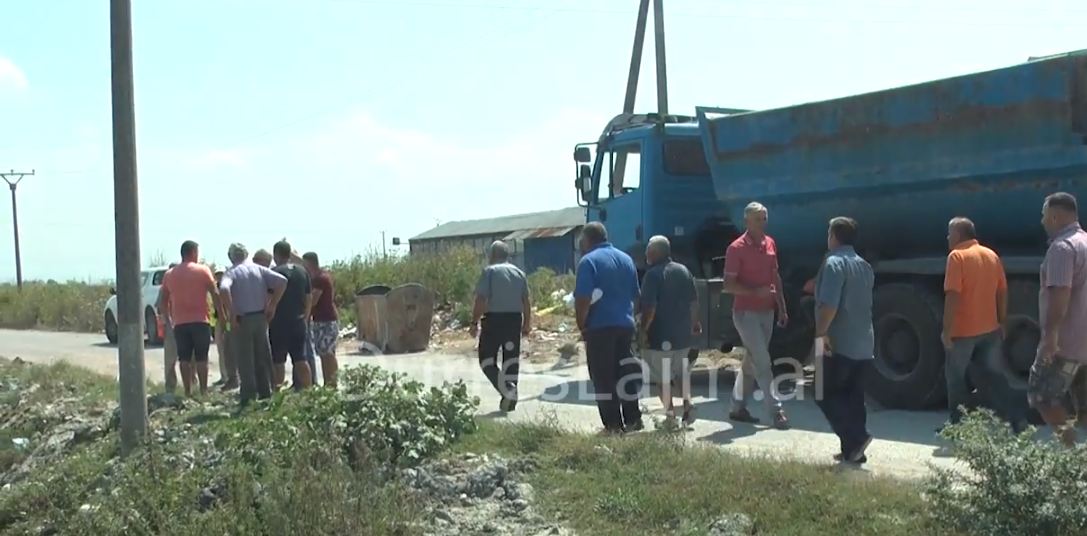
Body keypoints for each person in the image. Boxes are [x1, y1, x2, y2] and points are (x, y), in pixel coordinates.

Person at [941, 217, 1022, 430]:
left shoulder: (956, 256)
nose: (948, 237)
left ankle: (957, 425)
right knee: (996, 377)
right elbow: (1002, 290)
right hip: (990, 329)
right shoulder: (990, 254)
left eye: (950, 233)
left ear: (958, 234)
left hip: (963, 331)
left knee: (955, 378)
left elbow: (953, 296)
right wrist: (1002, 321)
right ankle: (1017, 420)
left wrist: (946, 330)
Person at [812, 217, 875, 465]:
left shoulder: (833, 264)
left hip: (839, 342)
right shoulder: (865, 266)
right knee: (853, 396)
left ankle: (857, 438)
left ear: (834, 236)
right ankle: (853, 451)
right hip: (864, 341)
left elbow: (829, 305)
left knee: (823, 393)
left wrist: (820, 334)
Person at [723, 202, 790, 429]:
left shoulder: (770, 243)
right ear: (746, 221)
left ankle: (736, 407)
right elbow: (729, 285)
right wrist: (754, 292)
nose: (762, 222)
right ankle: (776, 411)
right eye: (757, 219)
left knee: (751, 362)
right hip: (745, 313)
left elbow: (775, 276)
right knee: (762, 360)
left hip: (767, 311)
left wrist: (781, 306)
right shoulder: (736, 248)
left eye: (764, 218)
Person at [574, 222, 643, 434]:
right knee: (625, 373)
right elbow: (636, 296)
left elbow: (583, 298)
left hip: (601, 327)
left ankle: (613, 426)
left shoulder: (588, 262)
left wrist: (582, 325)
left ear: (587, 240)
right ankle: (633, 419)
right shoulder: (625, 259)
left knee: (603, 377)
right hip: (625, 324)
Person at [1030, 192, 1087, 446]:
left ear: (1054, 216)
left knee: (1042, 396)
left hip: (1066, 344)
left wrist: (1050, 338)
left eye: (1044, 215)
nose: (1042, 221)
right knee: (1083, 403)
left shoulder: (1062, 248)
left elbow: (1059, 295)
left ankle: (1073, 456)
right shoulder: (1084, 242)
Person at [639, 236, 700, 427]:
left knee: (662, 379)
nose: (646, 253)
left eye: (648, 249)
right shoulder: (683, 270)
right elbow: (694, 301)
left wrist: (643, 331)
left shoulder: (653, 275)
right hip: (682, 336)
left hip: (660, 337)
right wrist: (695, 323)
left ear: (656, 252)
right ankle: (689, 406)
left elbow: (650, 308)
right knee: (681, 374)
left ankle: (671, 417)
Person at [219, 243, 287, 405]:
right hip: (260, 317)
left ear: (231, 257)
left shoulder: (232, 272)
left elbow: (223, 289)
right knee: (262, 355)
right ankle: (266, 391)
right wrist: (272, 305)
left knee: (245, 358)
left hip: (242, 319)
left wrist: (232, 312)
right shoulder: (259, 269)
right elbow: (282, 281)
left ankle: (248, 395)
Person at [469, 241, 531, 412]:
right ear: (507, 255)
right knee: (511, 359)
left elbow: (481, 299)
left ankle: (508, 389)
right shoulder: (519, 273)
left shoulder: (490, 271)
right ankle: (510, 397)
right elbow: (526, 301)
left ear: (492, 255)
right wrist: (527, 324)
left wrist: (474, 322)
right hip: (514, 320)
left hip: (494, 321)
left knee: (486, 359)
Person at [159, 241, 221, 396]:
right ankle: (203, 390)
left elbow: (163, 300)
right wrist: (220, 314)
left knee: (184, 358)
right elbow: (215, 293)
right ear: (193, 252)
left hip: (180, 323)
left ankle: (187, 391)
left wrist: (167, 318)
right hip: (200, 320)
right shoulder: (203, 270)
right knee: (201, 358)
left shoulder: (170, 274)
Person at [269, 240, 313, 390]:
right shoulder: (302, 272)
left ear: (275, 255)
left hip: (279, 322)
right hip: (299, 321)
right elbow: (309, 297)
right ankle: (309, 391)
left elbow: (269, 297)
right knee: (301, 359)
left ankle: (277, 393)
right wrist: (305, 317)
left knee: (278, 361)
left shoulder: (275, 272)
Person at [304, 252, 339, 388]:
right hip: (321, 320)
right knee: (324, 354)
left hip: (326, 320)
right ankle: (329, 383)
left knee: (328, 354)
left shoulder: (320, 279)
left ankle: (332, 383)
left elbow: (313, 300)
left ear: (309, 263)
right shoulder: (320, 276)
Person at [212, 269, 239, 390]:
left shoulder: (229, 287)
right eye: (217, 275)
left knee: (228, 348)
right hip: (220, 321)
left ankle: (232, 376)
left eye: (221, 274)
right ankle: (225, 376)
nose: (219, 277)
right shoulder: (216, 288)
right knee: (222, 349)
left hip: (228, 320)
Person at [155, 263, 180, 395]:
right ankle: (170, 387)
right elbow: (160, 307)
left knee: (187, 359)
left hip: (180, 324)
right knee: (171, 360)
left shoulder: (183, 286)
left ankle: (190, 385)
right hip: (172, 327)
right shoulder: (163, 289)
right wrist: (164, 324)